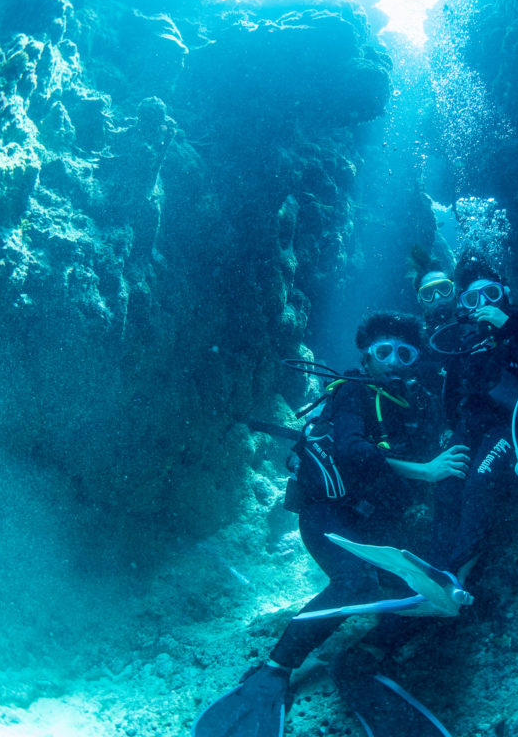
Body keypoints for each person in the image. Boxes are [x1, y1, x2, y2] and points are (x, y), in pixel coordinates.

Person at [193, 311, 469, 737]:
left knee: (437, 587)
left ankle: (364, 657)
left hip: (375, 524)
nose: (393, 361)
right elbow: (353, 451)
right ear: (366, 356)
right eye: (383, 351)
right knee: (355, 583)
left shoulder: (419, 403)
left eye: (405, 353)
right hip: (326, 515)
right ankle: (274, 670)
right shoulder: (353, 393)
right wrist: (426, 472)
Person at [430, 253, 518, 577]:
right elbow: (452, 389)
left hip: (513, 424)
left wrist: (507, 324)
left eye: (491, 293)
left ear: (505, 293)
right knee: (446, 485)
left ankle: (458, 578)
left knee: (479, 482)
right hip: (471, 424)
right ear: (464, 304)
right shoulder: (465, 338)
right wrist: (449, 428)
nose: (483, 303)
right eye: (472, 298)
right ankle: (435, 571)